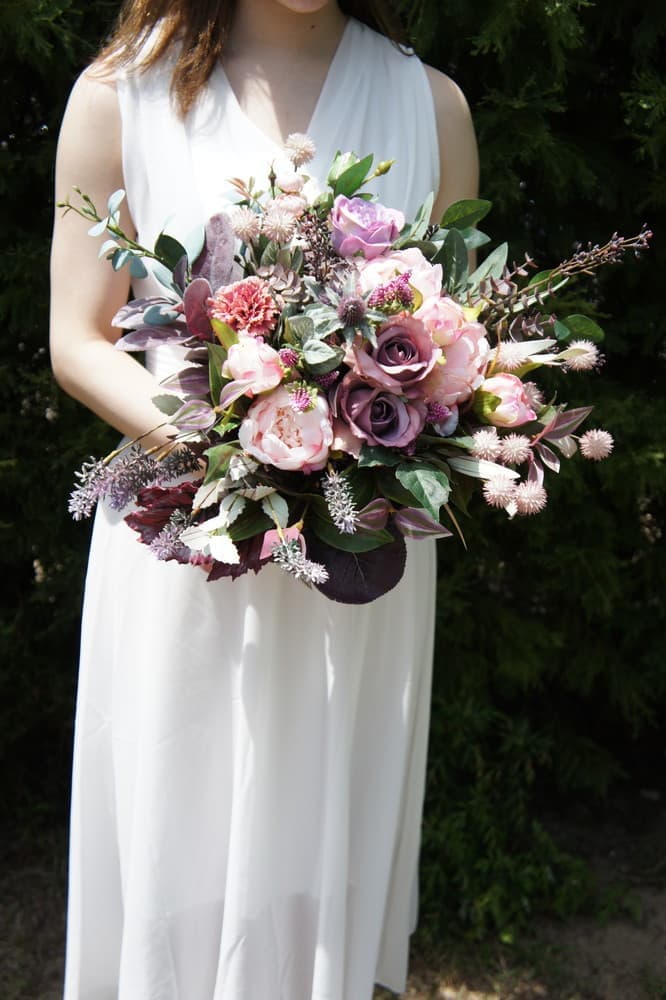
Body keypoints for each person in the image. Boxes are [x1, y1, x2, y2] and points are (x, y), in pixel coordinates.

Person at [50, 1, 479, 997]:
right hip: (189, 543)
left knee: (325, 839)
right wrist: (240, 450)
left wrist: (367, 440)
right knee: (180, 836)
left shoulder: (433, 107)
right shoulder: (122, 96)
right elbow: (78, 335)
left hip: (357, 560)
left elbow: (453, 339)